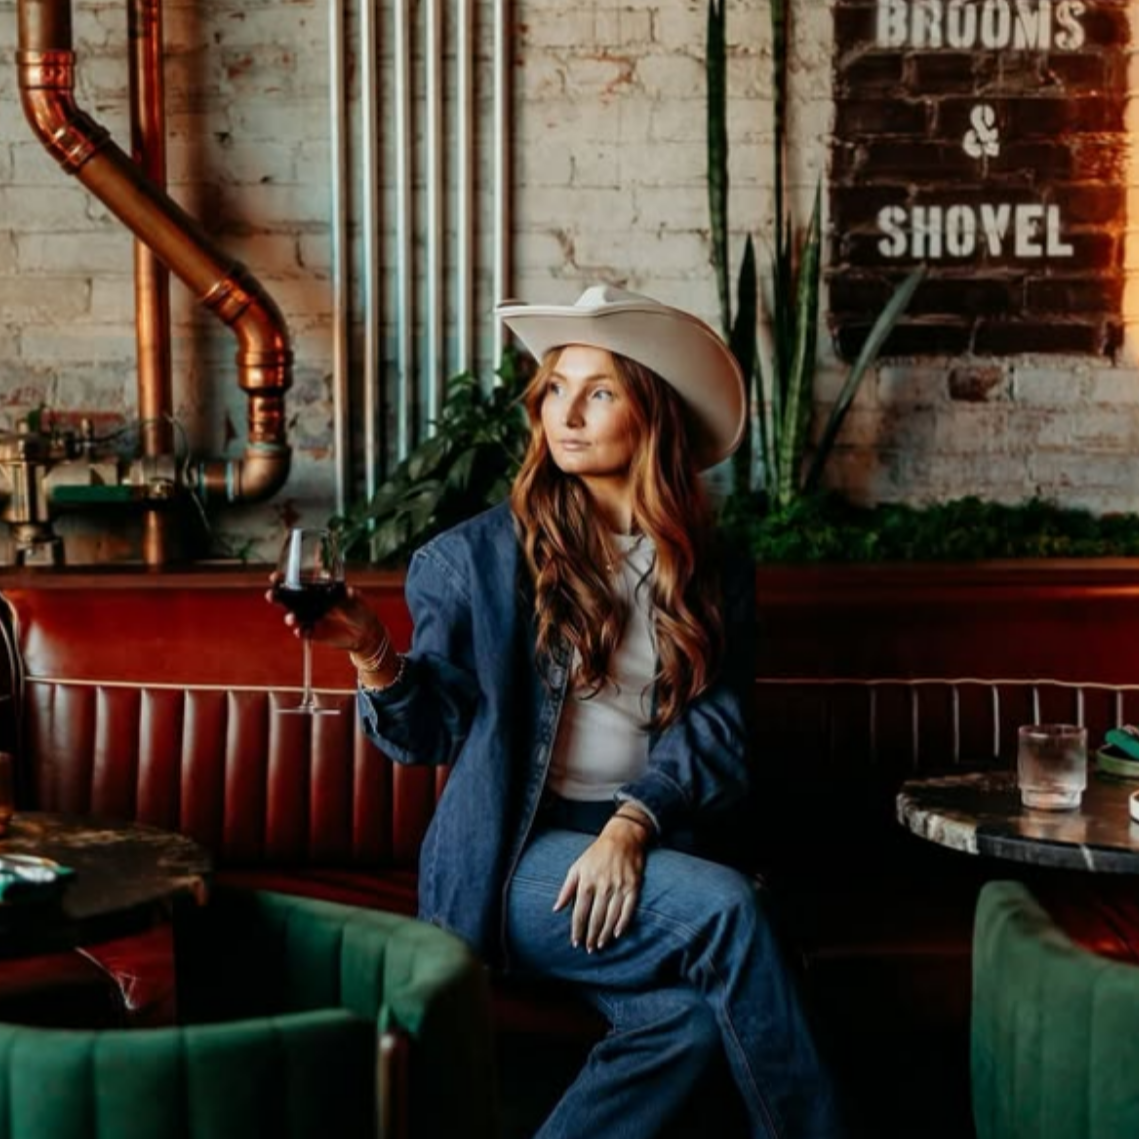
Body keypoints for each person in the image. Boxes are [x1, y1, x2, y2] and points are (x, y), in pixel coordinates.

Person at [271, 283, 845, 1139]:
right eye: (554, 390)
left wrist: (631, 825)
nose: (564, 413)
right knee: (729, 908)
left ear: (649, 414)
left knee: (680, 1022)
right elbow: (427, 733)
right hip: (511, 855)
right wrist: (369, 647)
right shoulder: (473, 559)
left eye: (599, 391)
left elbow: (716, 729)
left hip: (643, 841)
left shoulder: (711, 567)